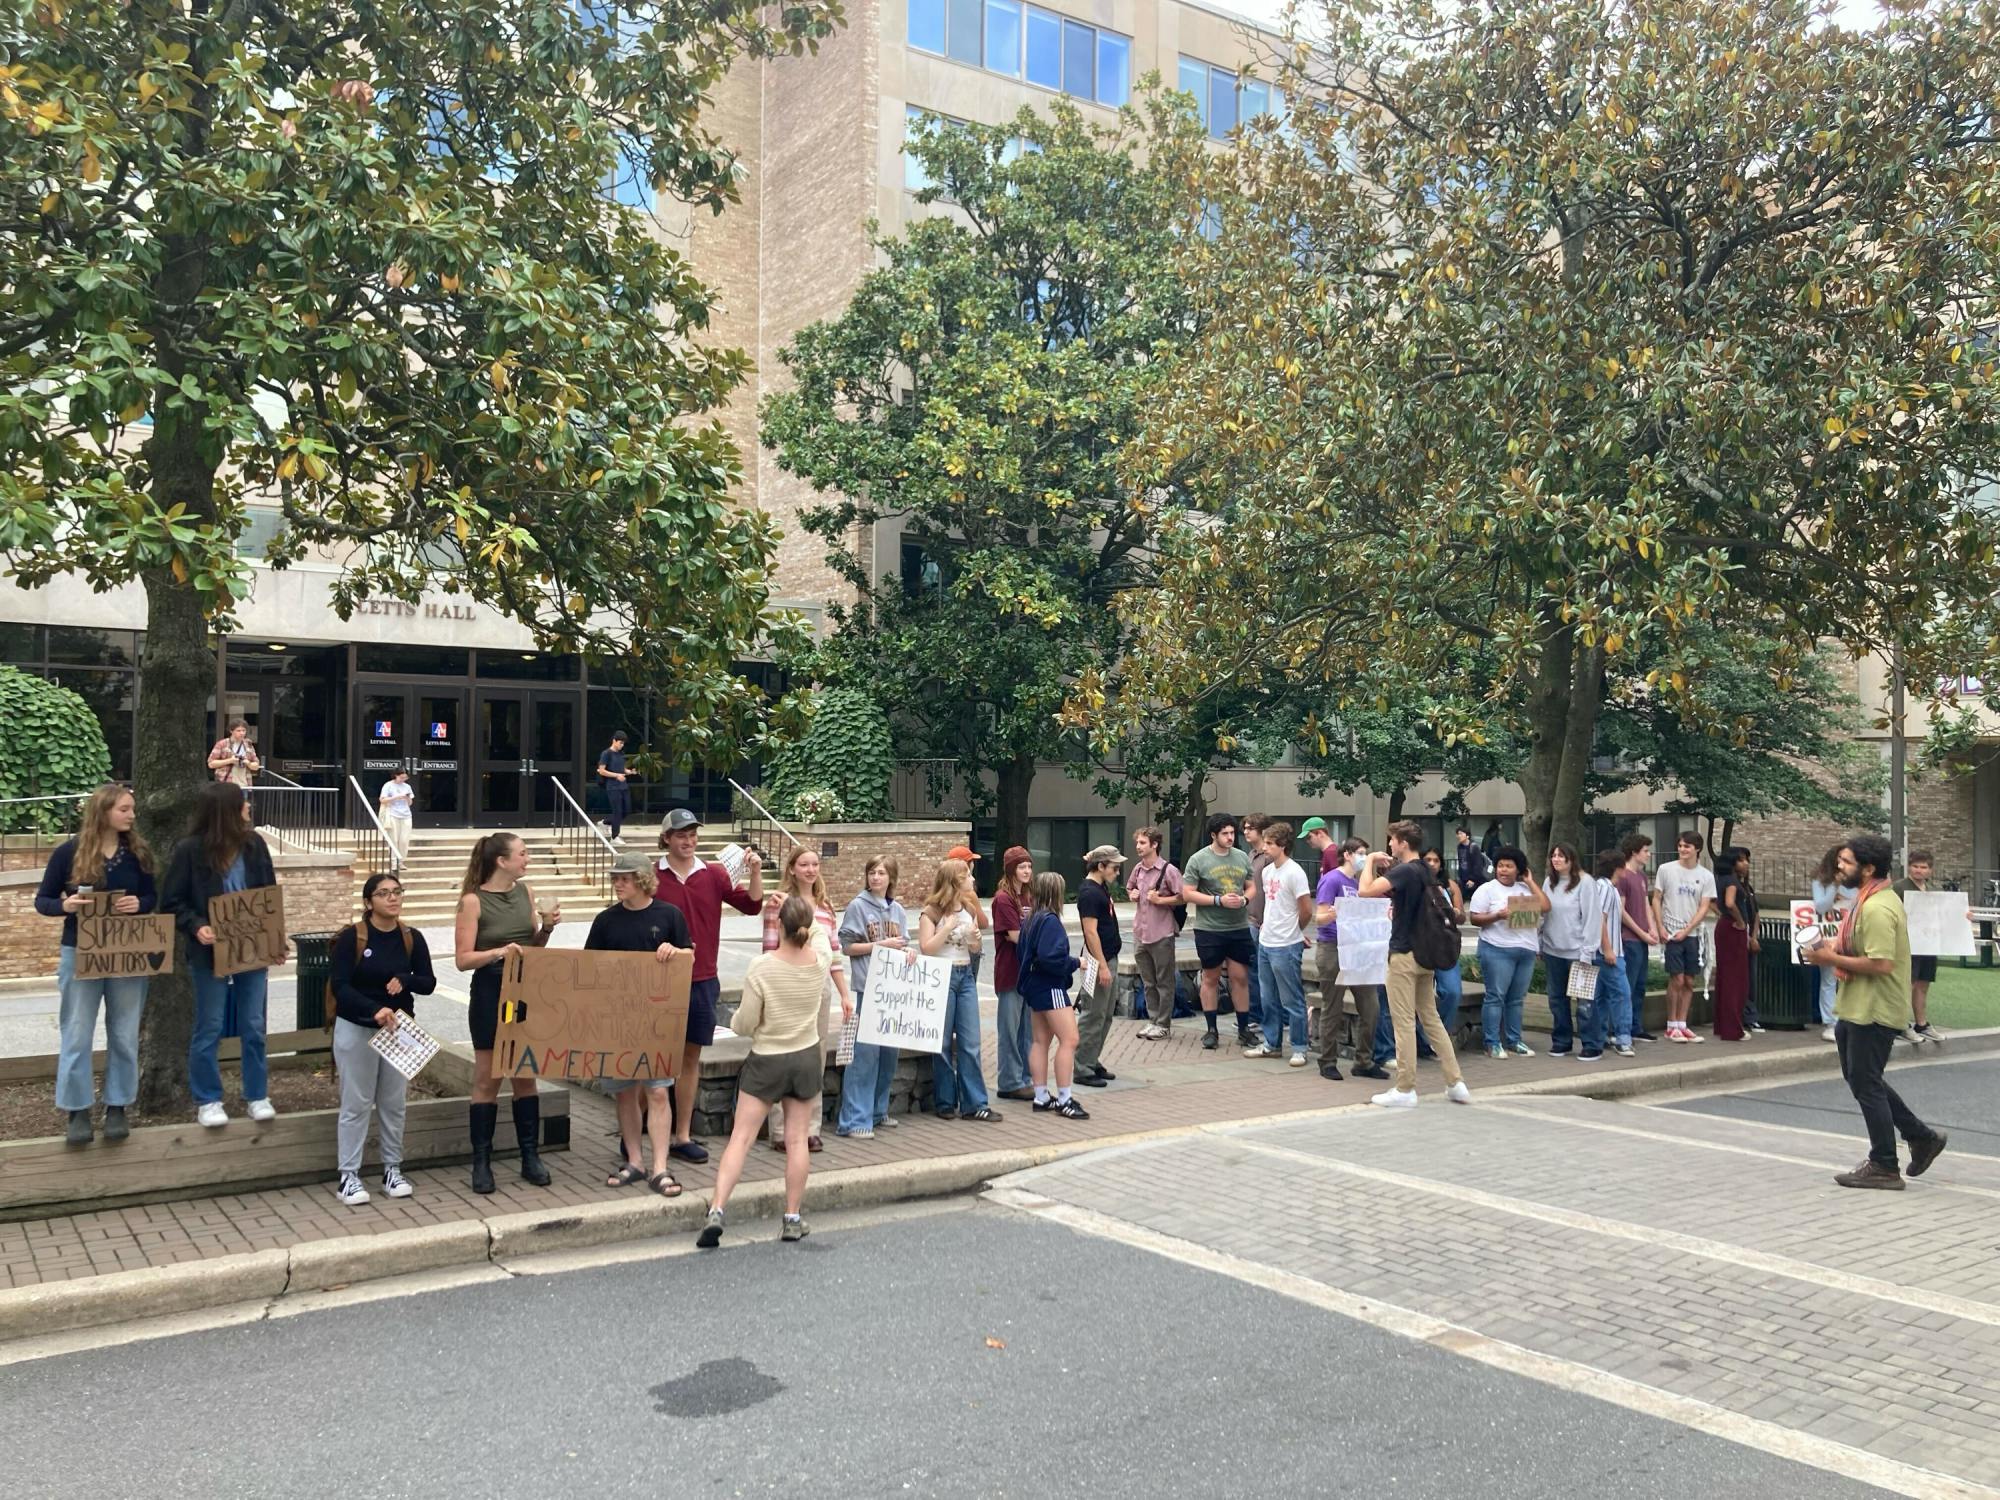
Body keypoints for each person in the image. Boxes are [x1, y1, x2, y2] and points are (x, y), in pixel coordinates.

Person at [1803, 833, 1946, 1190]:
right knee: (1862, 1079)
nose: (1840, 866)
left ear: (1868, 869)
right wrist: (1833, 945)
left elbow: (1881, 963)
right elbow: (1859, 944)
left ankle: (1884, 1164)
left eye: (1847, 862)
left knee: (1866, 1083)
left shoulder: (1879, 906)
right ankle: (1921, 1137)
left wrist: (1827, 957)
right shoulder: (1866, 899)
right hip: (1855, 1005)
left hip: (1876, 1009)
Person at [697, 895, 842, 1247]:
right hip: (805, 1055)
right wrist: (806, 906)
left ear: (779, 927)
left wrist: (736, 1021)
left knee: (742, 1138)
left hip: (767, 1057)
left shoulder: (762, 967)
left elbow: (745, 1023)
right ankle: (792, 1216)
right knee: (797, 1139)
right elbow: (823, 936)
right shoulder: (819, 960)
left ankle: (717, 1209)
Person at [35, 783, 157, 1146]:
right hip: (80, 952)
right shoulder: (68, 853)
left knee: (123, 1032)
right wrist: (65, 906)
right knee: (76, 1032)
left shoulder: (137, 853)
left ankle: (118, 1105)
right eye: (124, 809)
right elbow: (42, 900)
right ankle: (77, 1110)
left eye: (132, 808)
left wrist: (140, 903)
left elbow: (153, 895)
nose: (132, 815)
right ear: (103, 812)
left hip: (126, 952)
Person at [163, 782, 279, 1128]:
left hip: (252, 948)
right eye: (243, 803)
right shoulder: (190, 851)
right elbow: (172, 901)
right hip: (208, 952)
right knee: (209, 1025)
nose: (249, 808)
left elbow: (269, 894)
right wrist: (196, 926)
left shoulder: (255, 845)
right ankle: (208, 1099)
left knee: (254, 1024)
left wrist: (275, 939)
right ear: (226, 811)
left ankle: (257, 1095)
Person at [652, 807, 764, 1162]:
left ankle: (681, 1134)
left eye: (692, 834)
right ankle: (644, 1128)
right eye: (681, 835)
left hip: (701, 979)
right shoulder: (651, 875)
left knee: (689, 1059)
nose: (688, 841)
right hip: (657, 980)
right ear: (667, 838)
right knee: (652, 1059)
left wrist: (756, 872)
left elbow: (751, 906)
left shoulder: (713, 875)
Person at [453, 831, 560, 1192]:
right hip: (490, 990)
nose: (527, 860)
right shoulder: (473, 901)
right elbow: (463, 959)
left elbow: (535, 946)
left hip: (525, 989)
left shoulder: (526, 893)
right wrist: (499, 952)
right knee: (487, 1077)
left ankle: (530, 1156)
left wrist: (546, 928)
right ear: (502, 861)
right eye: (523, 854)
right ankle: (481, 1162)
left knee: (525, 1073)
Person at [328, 872, 436, 1206]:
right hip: (357, 1026)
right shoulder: (353, 938)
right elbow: (340, 986)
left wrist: (405, 979)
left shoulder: (411, 938)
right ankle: (349, 1176)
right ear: (369, 902)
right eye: (384, 893)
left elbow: (428, 982)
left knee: (393, 1103)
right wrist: (373, 1009)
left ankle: (392, 1169)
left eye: (397, 892)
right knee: (356, 1103)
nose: (393, 898)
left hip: (398, 1031)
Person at [588, 854, 693, 1195]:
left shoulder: (669, 915)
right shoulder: (605, 921)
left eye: (626, 878)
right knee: (624, 1093)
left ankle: (661, 1168)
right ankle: (635, 1160)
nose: (618, 883)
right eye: (615, 878)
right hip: (617, 1018)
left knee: (659, 1090)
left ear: (644, 880)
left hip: (657, 1018)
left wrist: (675, 954)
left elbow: (690, 956)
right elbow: (588, 968)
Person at [1357, 820, 1471, 1108]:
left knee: (1404, 1021)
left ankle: (1405, 1088)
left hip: (1404, 954)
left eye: (1392, 841)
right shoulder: (1425, 870)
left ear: (1403, 843)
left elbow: (1365, 891)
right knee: (1431, 1018)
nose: (1390, 846)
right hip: (1425, 954)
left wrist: (1369, 860)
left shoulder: (1405, 870)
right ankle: (1455, 1082)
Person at [769, 843, 854, 1150]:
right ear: (792, 868)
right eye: (804, 864)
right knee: (785, 1056)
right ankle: (780, 1130)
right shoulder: (779, 903)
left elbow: (834, 953)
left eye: (814, 864)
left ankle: (810, 1127)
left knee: (814, 1058)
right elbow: (769, 950)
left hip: (820, 989)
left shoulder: (825, 907)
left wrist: (845, 994)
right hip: (788, 986)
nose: (810, 870)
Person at [836, 856, 912, 1136]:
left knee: (888, 1055)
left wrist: (908, 952)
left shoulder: (899, 911)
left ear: (891, 877)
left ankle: (878, 1111)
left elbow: (902, 944)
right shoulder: (858, 906)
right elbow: (847, 947)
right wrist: (881, 944)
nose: (876, 877)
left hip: (893, 992)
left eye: (881, 873)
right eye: (871, 872)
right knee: (865, 1056)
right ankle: (855, 1119)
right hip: (869, 987)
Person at [919, 857, 1000, 1121]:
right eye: (967, 876)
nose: (973, 880)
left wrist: (975, 941)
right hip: (941, 975)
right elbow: (926, 948)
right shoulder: (931, 911)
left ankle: (975, 1103)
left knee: (970, 1041)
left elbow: (974, 948)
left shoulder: (969, 908)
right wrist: (949, 928)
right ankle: (945, 1101)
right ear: (955, 881)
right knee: (941, 1042)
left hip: (965, 974)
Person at [1182, 814, 1261, 1051]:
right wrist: (1218, 900)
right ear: (1213, 835)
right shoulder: (1198, 859)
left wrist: (1246, 899)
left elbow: (1251, 885)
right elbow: (1187, 893)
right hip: (1210, 929)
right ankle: (1211, 1030)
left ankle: (1244, 1029)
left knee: (1240, 977)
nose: (1230, 838)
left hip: (1238, 927)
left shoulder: (1240, 857)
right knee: (1211, 978)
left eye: (1232, 833)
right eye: (1225, 833)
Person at [1018, 871, 1088, 1117]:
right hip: (1051, 986)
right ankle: (1065, 1099)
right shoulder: (1050, 921)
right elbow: (1052, 958)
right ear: (1056, 894)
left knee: (1040, 1041)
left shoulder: (1031, 919)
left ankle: (1041, 1095)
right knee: (1069, 1040)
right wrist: (1075, 962)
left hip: (1034, 986)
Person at [1468, 845, 1548, 1059]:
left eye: (1509, 866)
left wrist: (1530, 881)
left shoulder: (1525, 888)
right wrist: (1498, 916)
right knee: (1495, 997)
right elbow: (1475, 918)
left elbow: (1546, 906)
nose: (1503, 870)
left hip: (1526, 950)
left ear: (1519, 869)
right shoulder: (1487, 889)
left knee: (1516, 999)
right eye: (1500, 865)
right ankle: (1492, 1042)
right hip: (1497, 948)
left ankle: (1514, 1040)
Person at [1311, 836, 1376, 1080]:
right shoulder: (1332, 879)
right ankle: (1327, 1061)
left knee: (1370, 1006)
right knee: (1333, 1006)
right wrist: (1340, 911)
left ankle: (1364, 1060)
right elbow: (1320, 917)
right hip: (1332, 947)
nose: (1362, 858)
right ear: (1347, 854)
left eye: (1364, 854)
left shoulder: (1357, 883)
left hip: (1356, 948)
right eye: (1359, 853)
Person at [1249, 822, 1314, 1065]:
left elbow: (1306, 909)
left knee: (1292, 999)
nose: (1264, 848)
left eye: (1269, 843)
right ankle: (1271, 1043)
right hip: (1267, 940)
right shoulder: (1267, 872)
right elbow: (1270, 903)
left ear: (1282, 845)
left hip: (1286, 943)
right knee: (1268, 997)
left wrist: (1296, 931)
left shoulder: (1294, 872)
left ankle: (1299, 1047)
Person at [1651, 831, 1716, 1043]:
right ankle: (1671, 1025)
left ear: (1697, 849)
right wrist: (1660, 926)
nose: (1682, 849)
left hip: (1693, 933)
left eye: (1687, 846)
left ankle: (1682, 1023)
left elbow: (1704, 906)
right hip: (1671, 931)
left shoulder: (1706, 876)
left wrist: (1687, 930)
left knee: (1689, 980)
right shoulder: (1666, 869)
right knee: (1676, 978)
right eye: (1680, 845)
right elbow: (1657, 898)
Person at [1072, 844, 1125, 1086]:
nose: (1117, 872)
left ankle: (1091, 1059)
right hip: (1098, 959)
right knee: (1093, 1014)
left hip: (1107, 957)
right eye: (1114, 867)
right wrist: (1102, 966)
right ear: (1101, 867)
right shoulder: (1090, 893)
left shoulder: (1099, 886)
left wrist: (1091, 856)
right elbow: (1091, 933)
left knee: (1104, 1015)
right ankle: (1082, 1067)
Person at [1541, 844, 1597, 1058]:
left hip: (1577, 951)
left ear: (1571, 859)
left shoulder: (1585, 882)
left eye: (1561, 856)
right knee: (1556, 999)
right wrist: (1540, 942)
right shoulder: (1549, 883)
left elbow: (1592, 917)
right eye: (1553, 855)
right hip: (1553, 949)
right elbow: (1545, 913)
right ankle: (1562, 1040)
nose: (1556, 859)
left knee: (1584, 1002)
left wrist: (1587, 951)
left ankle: (1590, 1043)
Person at [1128, 827, 1183, 1041]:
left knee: (1164, 981)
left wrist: (1161, 900)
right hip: (1140, 932)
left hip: (1162, 932)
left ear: (1154, 845)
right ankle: (1152, 1021)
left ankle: (1163, 1024)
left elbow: (1183, 896)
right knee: (1148, 980)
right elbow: (1130, 888)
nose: (1138, 847)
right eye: (1138, 843)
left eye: (1143, 843)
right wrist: (1132, 894)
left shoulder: (1168, 870)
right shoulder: (1138, 869)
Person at [1894, 850, 1944, 1045]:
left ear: (1930, 870)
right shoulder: (1899, 887)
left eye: (1923, 867)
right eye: (1915, 866)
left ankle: (1921, 1024)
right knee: (1909, 983)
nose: (1919, 870)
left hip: (1928, 943)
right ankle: (1901, 1024)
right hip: (1908, 944)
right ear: (1909, 867)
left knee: (1923, 984)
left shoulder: (1931, 890)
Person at [1615, 833, 1660, 1041]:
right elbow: (1621, 911)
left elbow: (1646, 904)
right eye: (1645, 851)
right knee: (1628, 986)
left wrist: (1652, 929)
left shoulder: (1641, 877)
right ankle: (1622, 1028)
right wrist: (1641, 932)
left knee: (1640, 984)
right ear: (1634, 852)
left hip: (1642, 939)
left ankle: (1636, 1026)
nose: (1649, 855)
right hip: (1629, 939)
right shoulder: (1623, 876)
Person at [1592, 849, 1637, 1056]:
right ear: (1618, 867)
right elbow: (1599, 918)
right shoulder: (1605, 888)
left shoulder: (1604, 887)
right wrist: (1608, 948)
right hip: (1608, 953)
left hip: (1602, 951)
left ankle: (1600, 1036)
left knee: (1601, 996)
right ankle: (1623, 1038)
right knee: (1622, 994)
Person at [1421, 846, 1467, 1046]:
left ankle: (1439, 1035)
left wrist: (1457, 913)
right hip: (1422, 945)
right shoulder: (1417, 883)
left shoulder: (1450, 886)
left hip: (1446, 945)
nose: (1432, 864)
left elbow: (1463, 917)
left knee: (1452, 991)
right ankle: (1423, 1039)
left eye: (1436, 860)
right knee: (1419, 997)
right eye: (1428, 860)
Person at [1713, 847, 1759, 1042]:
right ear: (1732, 862)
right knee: (1736, 979)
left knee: (1726, 977)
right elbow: (1730, 903)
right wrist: (1740, 921)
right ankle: (1733, 1028)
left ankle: (1724, 1024)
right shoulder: (1732, 881)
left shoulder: (1721, 880)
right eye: (1741, 860)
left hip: (1724, 927)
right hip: (1733, 929)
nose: (1745, 864)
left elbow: (1715, 903)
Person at [1810, 843, 1854, 1043]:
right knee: (1829, 979)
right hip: (1830, 935)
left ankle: (1849, 1017)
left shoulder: (1856, 882)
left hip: (1851, 935)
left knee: (1851, 977)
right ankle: (1831, 1022)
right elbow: (1820, 907)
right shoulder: (1822, 881)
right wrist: (1834, 887)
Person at [597, 730, 631, 845]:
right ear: (614, 741)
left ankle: (605, 823)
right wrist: (616, 776)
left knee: (626, 810)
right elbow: (601, 771)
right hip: (612, 787)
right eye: (620, 743)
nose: (622, 745)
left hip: (623, 786)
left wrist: (630, 772)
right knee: (617, 811)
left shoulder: (621, 754)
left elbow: (622, 769)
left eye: (623, 743)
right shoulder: (606, 754)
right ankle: (614, 837)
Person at [376, 769, 413, 871]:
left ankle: (401, 861)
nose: (403, 780)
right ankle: (393, 862)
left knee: (404, 840)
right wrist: (395, 797)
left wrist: (407, 798)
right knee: (393, 839)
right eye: (401, 777)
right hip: (392, 814)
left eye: (405, 778)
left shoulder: (407, 787)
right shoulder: (388, 785)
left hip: (406, 814)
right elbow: (382, 800)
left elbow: (410, 803)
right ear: (395, 775)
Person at [206, 719, 260, 786]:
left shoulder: (248, 744)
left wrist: (248, 763)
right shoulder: (222, 744)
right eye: (238, 730)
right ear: (231, 731)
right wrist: (230, 761)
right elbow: (211, 764)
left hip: (244, 783)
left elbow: (256, 766)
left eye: (244, 730)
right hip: (226, 784)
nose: (242, 733)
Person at [1455, 827, 1490, 893]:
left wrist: (1472, 879)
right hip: (1463, 879)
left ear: (1467, 836)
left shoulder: (1473, 847)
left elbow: (1478, 865)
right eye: (1458, 834)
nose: (1459, 836)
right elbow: (1460, 862)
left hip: (1474, 880)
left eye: (1461, 834)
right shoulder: (1459, 847)